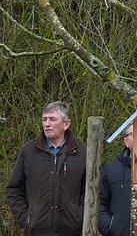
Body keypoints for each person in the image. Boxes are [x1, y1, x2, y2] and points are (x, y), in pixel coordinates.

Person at [6, 101, 87, 236]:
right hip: (36, 230)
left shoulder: (82, 152)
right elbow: (14, 189)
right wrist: (27, 219)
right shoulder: (29, 151)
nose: (47, 124)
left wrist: (79, 218)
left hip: (70, 231)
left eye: (52, 119)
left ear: (66, 124)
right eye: (44, 119)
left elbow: (90, 192)